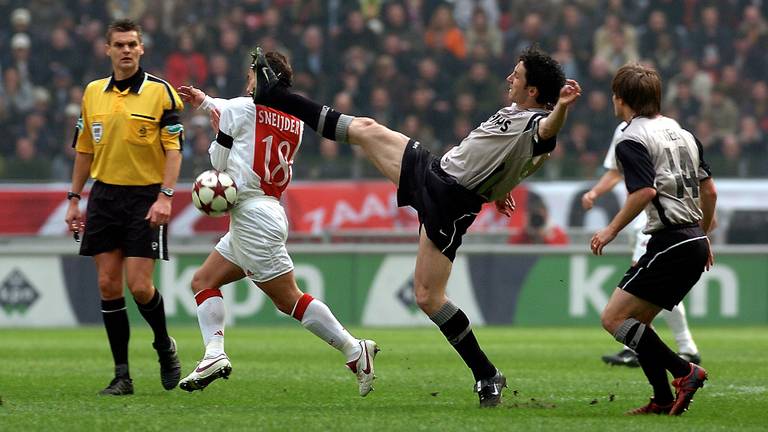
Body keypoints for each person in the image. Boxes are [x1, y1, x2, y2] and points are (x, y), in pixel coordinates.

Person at [250, 46, 581, 407]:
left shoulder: (539, 123)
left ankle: (486, 374)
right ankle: (276, 96)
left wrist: (562, 106)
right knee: (365, 128)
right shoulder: (518, 113)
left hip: (450, 204)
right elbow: (504, 155)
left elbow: (547, 132)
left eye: (516, 76)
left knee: (428, 297)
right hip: (435, 170)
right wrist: (502, 189)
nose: (509, 79)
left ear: (533, 91)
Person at [174, 50, 379, 397]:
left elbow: (219, 164)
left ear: (262, 78)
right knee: (203, 279)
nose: (247, 82)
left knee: (288, 300)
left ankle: (354, 350)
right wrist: (207, 102)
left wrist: (217, 130)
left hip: (252, 215)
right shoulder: (295, 122)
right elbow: (246, 114)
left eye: (252, 76)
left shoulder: (240, 110)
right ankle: (213, 354)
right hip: (265, 208)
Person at [64, 19, 183, 396]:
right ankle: (122, 376)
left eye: (132, 44)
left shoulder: (161, 93)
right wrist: (73, 198)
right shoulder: (93, 93)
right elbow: (84, 149)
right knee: (107, 284)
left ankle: (164, 346)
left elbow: (174, 150)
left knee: (140, 285)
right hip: (104, 196)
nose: (126, 50)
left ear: (142, 48)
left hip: (145, 197)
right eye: (119, 44)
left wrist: (166, 196)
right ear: (108, 49)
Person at [590, 63, 716, 416]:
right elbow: (711, 192)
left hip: (669, 240)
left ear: (622, 99)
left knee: (613, 319)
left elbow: (644, 191)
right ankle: (662, 399)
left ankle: (685, 371)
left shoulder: (630, 138)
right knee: (637, 324)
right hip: (691, 239)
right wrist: (703, 237)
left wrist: (610, 230)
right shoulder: (684, 134)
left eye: (615, 94)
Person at [583, 122, 702, 368]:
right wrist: (595, 192)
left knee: (650, 286)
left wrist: (611, 229)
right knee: (655, 287)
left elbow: (650, 187)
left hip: (659, 219)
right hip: (645, 218)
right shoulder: (631, 130)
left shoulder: (652, 130)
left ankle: (679, 350)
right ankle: (683, 349)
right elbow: (616, 171)